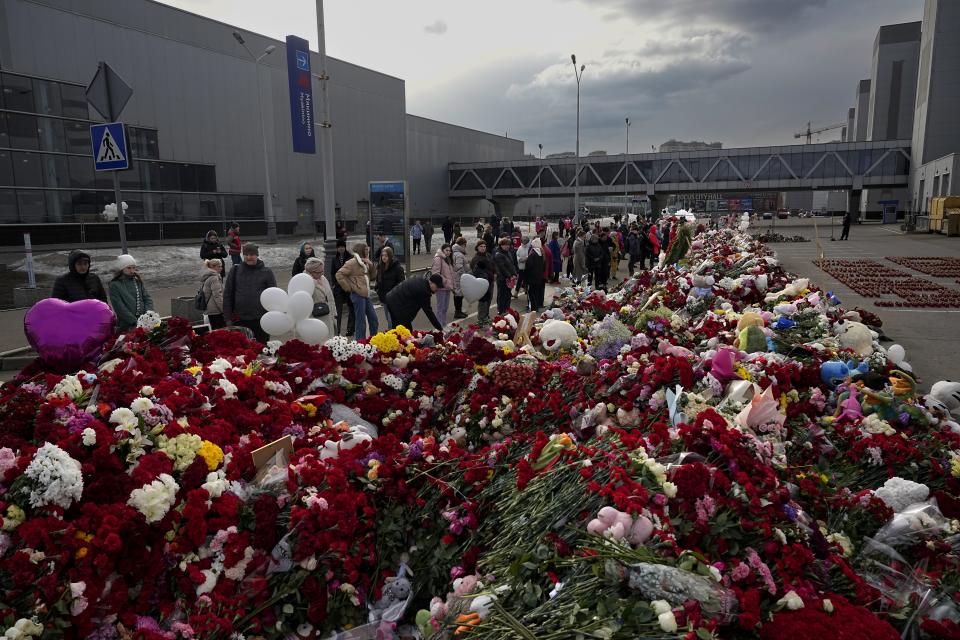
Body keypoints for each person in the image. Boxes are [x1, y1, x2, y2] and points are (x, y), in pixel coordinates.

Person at [223, 243, 276, 343]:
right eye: (246, 255)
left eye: (251, 254)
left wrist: (272, 318)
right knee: (242, 352)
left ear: (257, 255)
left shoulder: (267, 272)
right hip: (240, 319)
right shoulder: (235, 271)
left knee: (262, 349)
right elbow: (227, 295)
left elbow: (273, 296)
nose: (248, 257)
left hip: (261, 320)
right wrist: (227, 318)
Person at [336, 243, 379, 341]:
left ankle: (374, 341)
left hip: (366, 294)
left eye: (368, 249)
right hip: (357, 294)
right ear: (361, 250)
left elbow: (372, 277)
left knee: (374, 319)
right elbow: (339, 274)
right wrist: (349, 288)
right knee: (361, 321)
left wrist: (371, 264)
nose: (368, 251)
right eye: (366, 249)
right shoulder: (352, 262)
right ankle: (361, 344)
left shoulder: (365, 262)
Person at [109, 254, 154, 333]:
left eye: (134, 268)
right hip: (127, 324)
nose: (132, 271)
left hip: (144, 322)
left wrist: (148, 314)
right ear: (121, 269)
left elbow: (147, 298)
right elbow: (119, 307)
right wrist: (134, 321)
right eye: (129, 268)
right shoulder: (114, 285)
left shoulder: (137, 281)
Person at [303, 256, 337, 341]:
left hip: (328, 314)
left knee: (330, 340)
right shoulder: (305, 281)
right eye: (319, 272)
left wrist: (334, 313)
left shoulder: (323, 279)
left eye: (323, 271)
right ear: (310, 272)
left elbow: (330, 297)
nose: (322, 274)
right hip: (315, 317)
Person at [330, 239, 355, 336]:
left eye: (342, 247)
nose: (341, 249)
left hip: (349, 287)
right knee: (338, 310)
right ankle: (337, 331)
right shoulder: (334, 259)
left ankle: (350, 329)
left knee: (351, 308)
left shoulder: (351, 258)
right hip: (338, 288)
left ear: (345, 247)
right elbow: (333, 273)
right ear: (337, 248)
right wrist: (334, 283)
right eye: (339, 247)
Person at [375, 246, 405, 325]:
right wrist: (378, 290)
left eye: (386, 255)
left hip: (393, 298)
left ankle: (392, 335)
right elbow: (378, 281)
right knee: (388, 318)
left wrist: (394, 293)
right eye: (382, 255)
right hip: (384, 298)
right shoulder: (380, 267)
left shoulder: (397, 268)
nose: (384, 257)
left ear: (390, 256)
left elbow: (401, 283)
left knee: (391, 319)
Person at [470, 240, 496, 325]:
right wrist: (486, 276)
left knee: (489, 299)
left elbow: (493, 265)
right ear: (477, 247)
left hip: (490, 281)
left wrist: (495, 273)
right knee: (483, 301)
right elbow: (475, 271)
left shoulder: (488, 255)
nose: (483, 248)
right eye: (481, 246)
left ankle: (486, 316)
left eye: (484, 246)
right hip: (481, 282)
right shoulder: (476, 258)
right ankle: (481, 318)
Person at [431, 243, 455, 326]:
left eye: (450, 251)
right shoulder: (438, 258)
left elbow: (451, 273)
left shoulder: (447, 259)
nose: (448, 252)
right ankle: (439, 325)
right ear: (442, 250)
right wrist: (445, 281)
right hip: (441, 287)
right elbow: (435, 273)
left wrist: (452, 285)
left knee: (445, 307)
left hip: (447, 287)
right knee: (440, 308)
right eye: (446, 250)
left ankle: (443, 324)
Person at [493, 237, 518, 314]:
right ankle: (501, 310)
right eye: (505, 245)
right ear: (501, 245)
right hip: (502, 279)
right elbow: (502, 268)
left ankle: (507, 309)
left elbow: (512, 265)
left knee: (508, 294)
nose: (507, 246)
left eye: (508, 245)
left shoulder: (508, 253)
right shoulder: (498, 255)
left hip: (510, 279)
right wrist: (510, 276)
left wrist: (514, 274)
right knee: (502, 295)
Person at [200, 259, 226, 329]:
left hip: (210, 308)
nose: (221, 268)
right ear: (213, 267)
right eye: (219, 266)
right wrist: (223, 309)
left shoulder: (208, 276)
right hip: (216, 309)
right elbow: (217, 296)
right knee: (220, 330)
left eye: (221, 266)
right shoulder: (214, 278)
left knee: (214, 329)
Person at [526, 238, 546, 311]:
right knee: (536, 292)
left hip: (532, 277)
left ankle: (533, 307)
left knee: (531, 292)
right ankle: (536, 306)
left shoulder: (532, 254)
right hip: (539, 276)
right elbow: (544, 266)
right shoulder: (541, 253)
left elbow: (528, 266)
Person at [451, 237, 469, 319]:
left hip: (458, 277)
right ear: (463, 244)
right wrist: (464, 276)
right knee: (458, 295)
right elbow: (458, 267)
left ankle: (459, 311)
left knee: (459, 294)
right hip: (459, 277)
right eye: (465, 244)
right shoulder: (458, 254)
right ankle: (457, 312)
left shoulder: (456, 252)